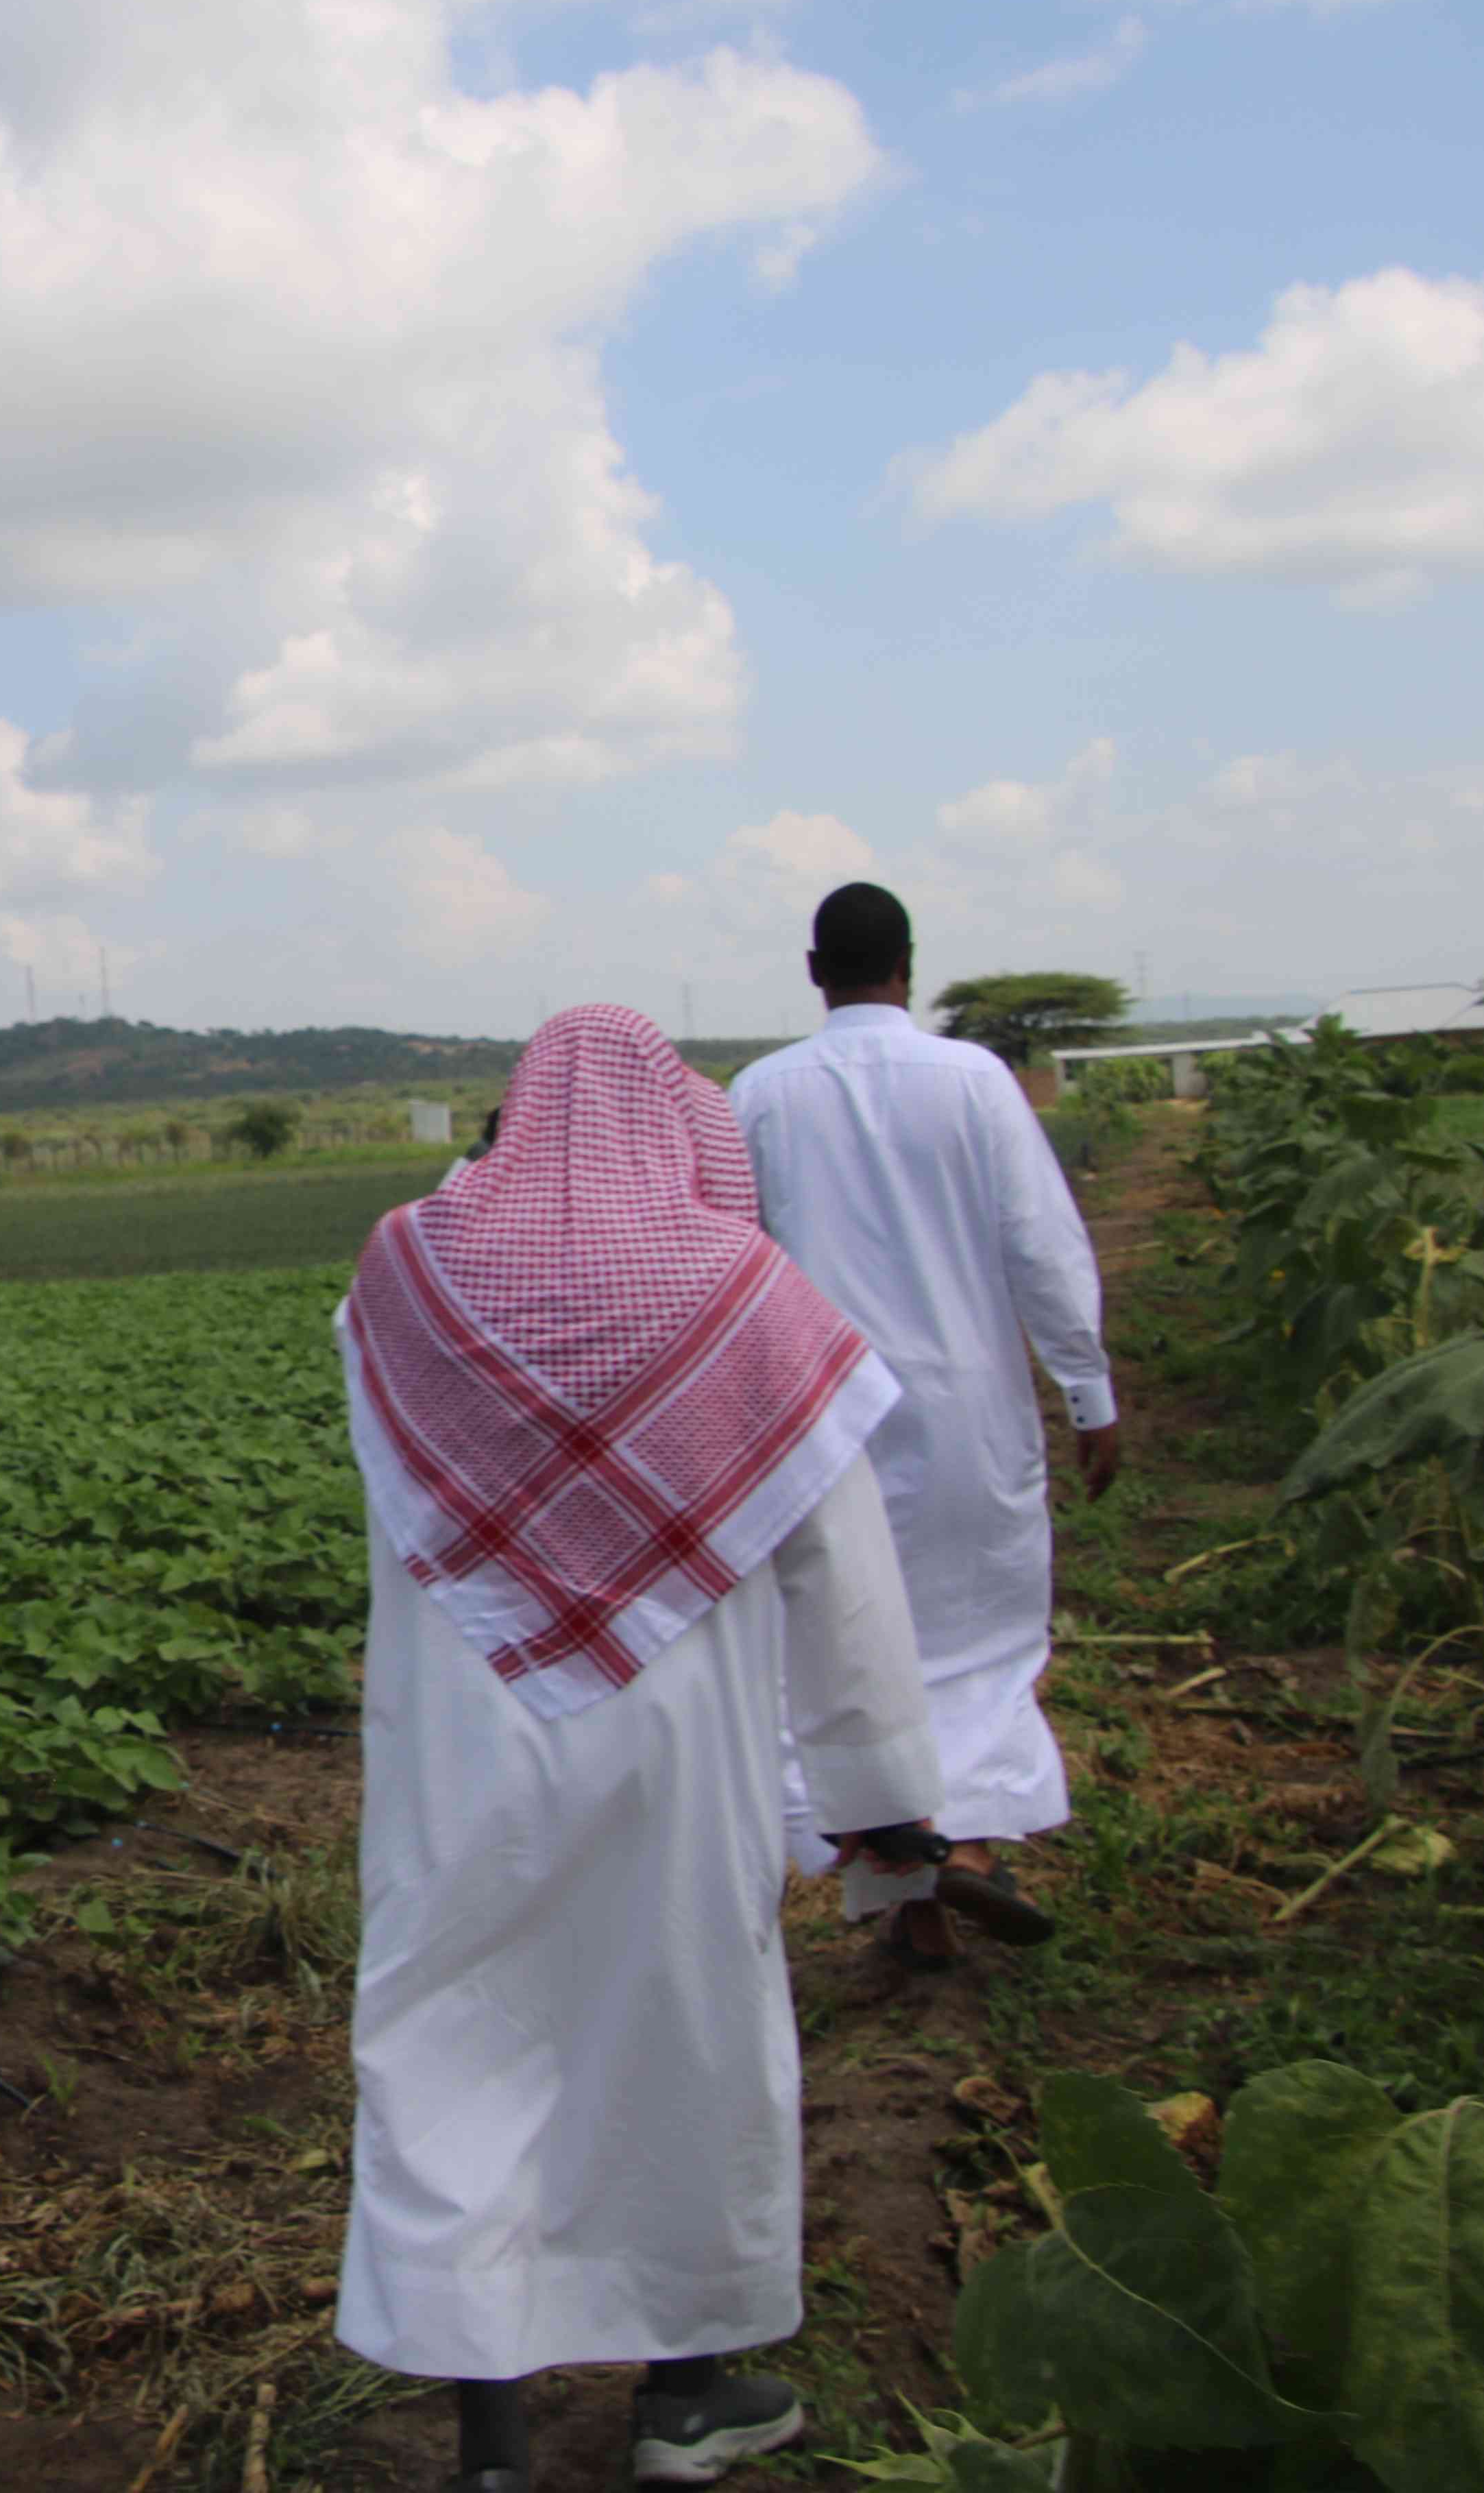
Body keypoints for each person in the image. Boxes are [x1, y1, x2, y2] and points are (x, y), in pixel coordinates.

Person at [334, 1006, 944, 2493]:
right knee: (686, 2030)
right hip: (681, 1744)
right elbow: (839, 1569)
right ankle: (685, 2395)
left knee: (461, 2035)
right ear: (681, 1130)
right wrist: (885, 1802)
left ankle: (489, 2439)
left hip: (464, 1739)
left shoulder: (406, 1269)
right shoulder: (743, 1289)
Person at [730, 883, 1120, 1971]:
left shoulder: (759, 1095)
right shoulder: (976, 1082)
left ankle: (908, 1893)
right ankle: (975, 1852)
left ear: (815, 972)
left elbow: (728, 1273)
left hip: (821, 1422)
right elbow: (1040, 1248)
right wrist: (1088, 1391)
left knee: (848, 1653)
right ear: (910, 963)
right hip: (966, 1417)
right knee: (981, 1638)